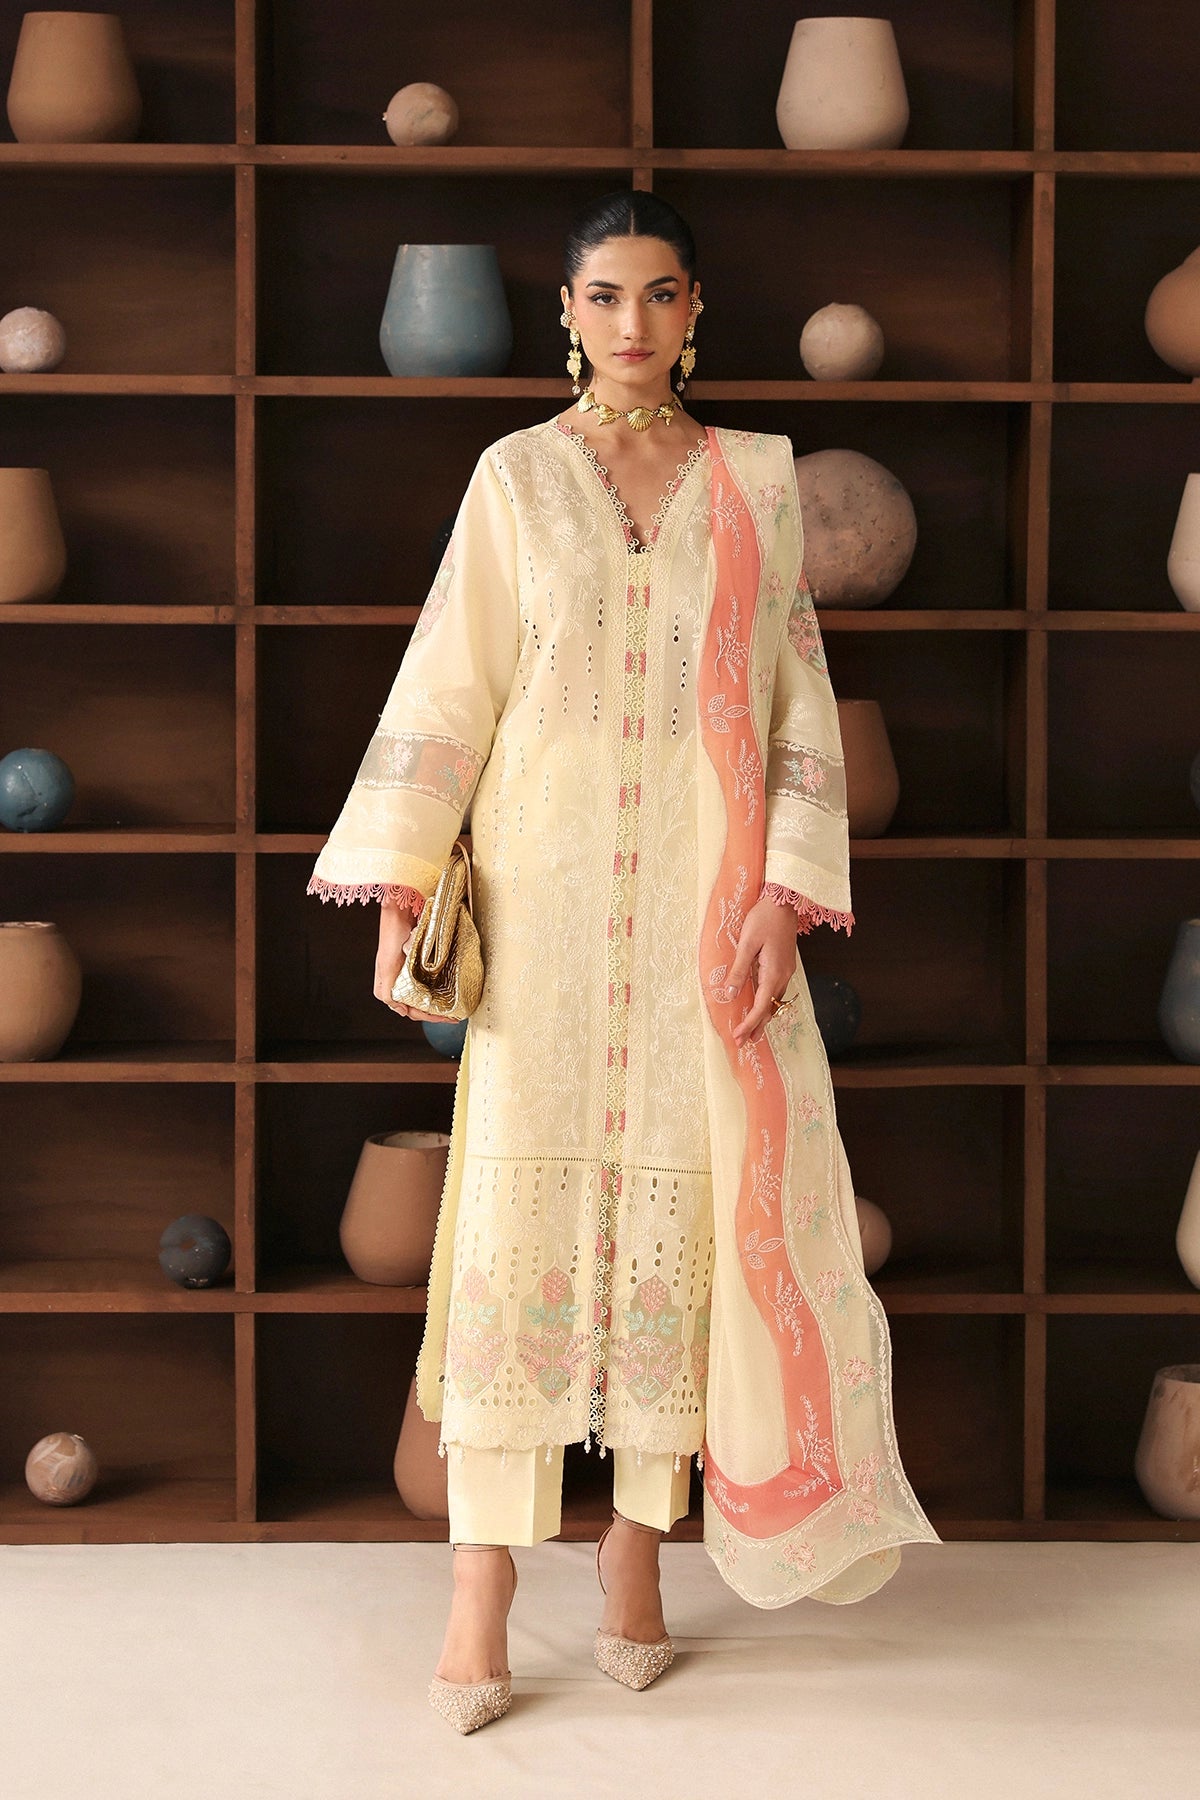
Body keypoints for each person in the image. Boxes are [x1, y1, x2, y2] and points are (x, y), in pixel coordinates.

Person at [307, 189, 941, 1732]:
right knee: (520, 1228)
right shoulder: (514, 479)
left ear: (696, 308)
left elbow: (798, 706)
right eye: (605, 297)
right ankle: (483, 1590)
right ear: (570, 314)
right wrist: (405, 874)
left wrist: (784, 899)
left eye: (661, 295)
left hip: (700, 917)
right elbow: (453, 674)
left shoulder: (757, 487)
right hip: (543, 901)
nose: (634, 325)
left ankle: (639, 1556)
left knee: (682, 1212)